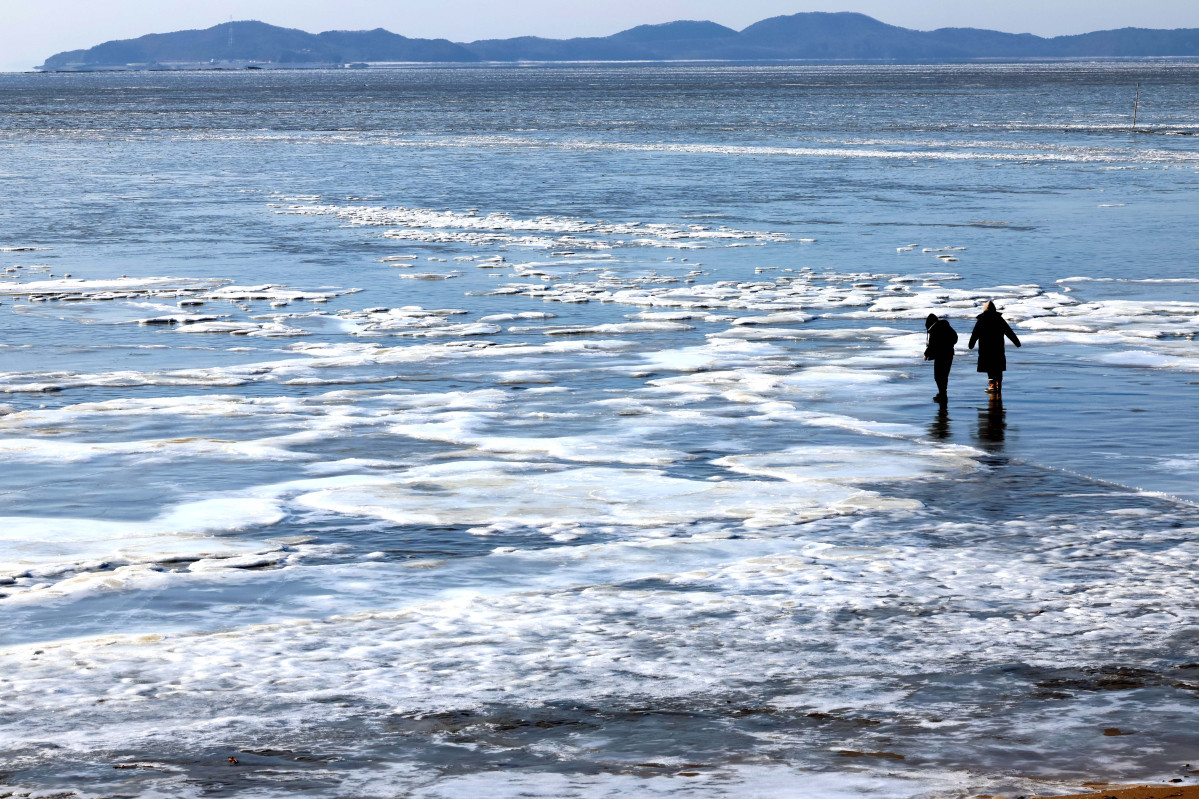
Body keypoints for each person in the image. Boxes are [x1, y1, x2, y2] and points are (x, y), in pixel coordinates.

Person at [968, 301, 1021, 395]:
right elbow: (1009, 332)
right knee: (998, 367)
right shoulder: (999, 319)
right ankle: (998, 385)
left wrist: (971, 344)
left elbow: (975, 334)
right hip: (998, 348)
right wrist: (1017, 343)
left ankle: (992, 386)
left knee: (989, 368)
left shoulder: (982, 320)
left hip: (986, 348)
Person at [923, 313, 958, 403]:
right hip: (949, 354)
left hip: (940, 355)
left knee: (938, 376)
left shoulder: (935, 329)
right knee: (944, 375)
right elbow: (955, 337)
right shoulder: (946, 326)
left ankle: (942, 394)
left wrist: (926, 354)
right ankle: (943, 393)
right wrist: (949, 345)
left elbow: (932, 345)